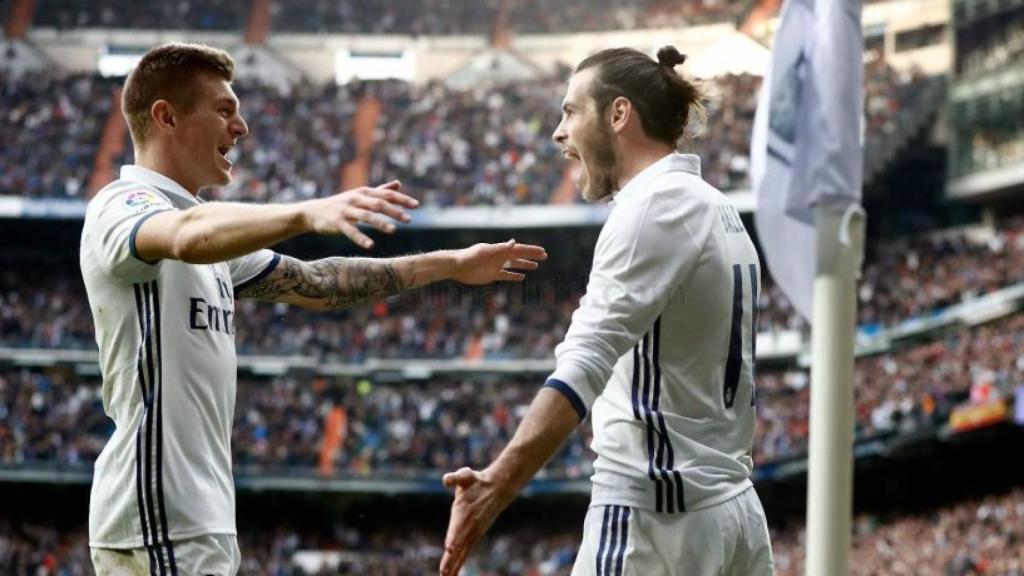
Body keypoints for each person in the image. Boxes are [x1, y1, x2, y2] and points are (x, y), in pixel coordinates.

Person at [81, 42, 547, 576]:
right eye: (224, 109)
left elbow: (316, 282)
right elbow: (185, 237)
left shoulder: (205, 231)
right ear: (165, 116)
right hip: (158, 519)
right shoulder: (122, 207)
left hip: (194, 521)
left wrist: (451, 264)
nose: (242, 127)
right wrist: (307, 212)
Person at [441, 46, 774, 576]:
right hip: (731, 514)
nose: (558, 131)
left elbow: (585, 362)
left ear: (619, 114)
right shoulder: (715, 205)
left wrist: (498, 483)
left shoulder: (652, 208)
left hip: (657, 525)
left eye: (571, 111)